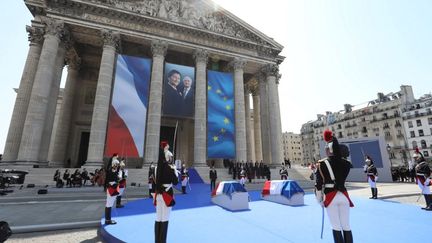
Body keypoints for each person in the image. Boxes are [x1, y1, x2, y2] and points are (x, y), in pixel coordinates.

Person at [315, 130, 353, 243]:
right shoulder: (346, 164)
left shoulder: (322, 164)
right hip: (344, 196)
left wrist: (319, 200)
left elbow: (318, 185)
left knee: (336, 226)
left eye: (326, 149)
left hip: (330, 196)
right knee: (346, 225)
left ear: (329, 150)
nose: (325, 151)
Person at [154, 142, 179, 243]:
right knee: (165, 218)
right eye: (171, 158)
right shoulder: (170, 168)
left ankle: (157, 241)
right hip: (167, 194)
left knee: (158, 218)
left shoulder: (157, 168)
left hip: (158, 194)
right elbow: (176, 182)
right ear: (168, 158)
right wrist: (175, 171)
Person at [105, 159, 120, 225]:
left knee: (110, 204)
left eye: (117, 165)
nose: (117, 166)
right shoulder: (111, 171)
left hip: (113, 187)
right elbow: (109, 180)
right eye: (116, 164)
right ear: (114, 164)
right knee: (109, 204)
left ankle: (108, 219)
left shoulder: (114, 170)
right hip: (111, 188)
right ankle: (108, 220)